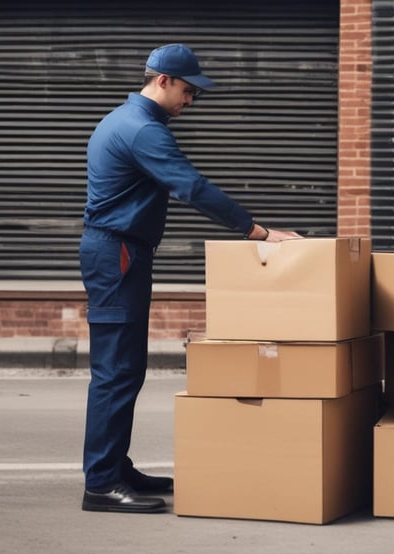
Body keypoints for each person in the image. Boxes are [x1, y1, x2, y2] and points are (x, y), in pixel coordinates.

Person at [79, 43, 300, 513]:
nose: (190, 101)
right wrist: (255, 230)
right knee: (116, 372)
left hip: (119, 252)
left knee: (124, 369)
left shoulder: (123, 119)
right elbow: (191, 186)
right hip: (117, 254)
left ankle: (115, 466)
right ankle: (101, 483)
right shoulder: (142, 130)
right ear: (162, 80)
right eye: (186, 90)